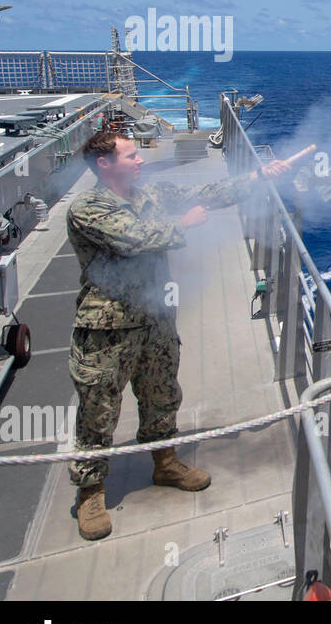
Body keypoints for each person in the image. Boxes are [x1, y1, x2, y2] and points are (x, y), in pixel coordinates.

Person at [66, 130, 292, 540]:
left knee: (162, 394)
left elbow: (208, 190)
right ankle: (91, 490)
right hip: (107, 326)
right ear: (104, 164)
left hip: (156, 316)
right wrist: (182, 223)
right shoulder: (88, 208)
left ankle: (165, 462)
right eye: (131, 156)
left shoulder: (147, 192)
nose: (139, 161)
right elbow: (132, 239)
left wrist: (259, 177)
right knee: (98, 409)